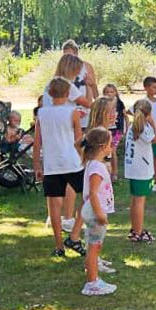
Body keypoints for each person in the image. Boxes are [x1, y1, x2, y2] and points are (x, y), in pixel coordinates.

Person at [33, 77, 87, 257]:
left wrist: (36, 165)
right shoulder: (73, 112)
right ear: (67, 93)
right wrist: (85, 158)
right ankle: (74, 234)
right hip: (72, 162)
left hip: (51, 164)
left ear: (49, 94)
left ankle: (59, 246)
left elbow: (37, 142)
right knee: (88, 197)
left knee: (54, 206)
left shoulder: (42, 113)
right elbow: (78, 140)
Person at [80, 127, 118, 296]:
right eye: (110, 144)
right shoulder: (96, 168)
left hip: (93, 211)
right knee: (94, 247)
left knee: (93, 245)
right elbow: (94, 193)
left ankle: (92, 274)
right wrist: (100, 213)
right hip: (95, 213)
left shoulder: (94, 164)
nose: (112, 147)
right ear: (103, 147)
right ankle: (92, 282)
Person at [123, 97, 156, 242]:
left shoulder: (133, 125)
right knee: (139, 201)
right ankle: (138, 232)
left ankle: (134, 228)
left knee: (135, 199)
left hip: (133, 168)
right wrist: (153, 123)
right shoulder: (144, 127)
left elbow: (129, 111)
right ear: (148, 114)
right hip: (141, 169)